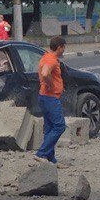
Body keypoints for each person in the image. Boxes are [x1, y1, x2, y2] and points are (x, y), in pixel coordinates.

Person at [35, 36, 67, 165]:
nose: (64, 50)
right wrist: (51, 84)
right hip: (50, 97)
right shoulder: (51, 60)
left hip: (44, 96)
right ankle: (41, 153)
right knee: (59, 126)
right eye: (64, 47)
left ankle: (50, 159)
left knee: (49, 128)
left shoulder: (45, 56)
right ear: (59, 47)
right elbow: (44, 73)